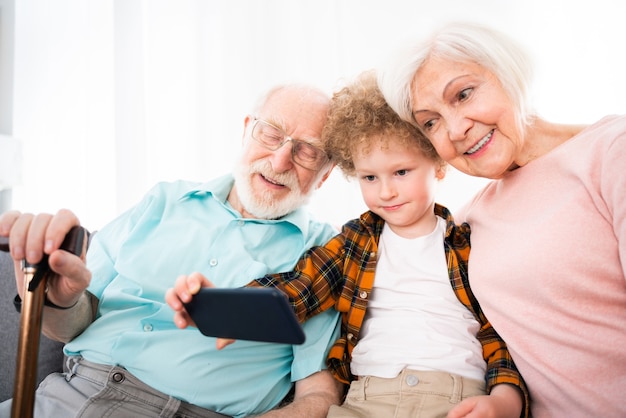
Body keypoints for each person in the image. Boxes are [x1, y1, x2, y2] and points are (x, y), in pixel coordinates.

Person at [168, 71, 529, 418]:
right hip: (364, 400)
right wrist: (231, 309)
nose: (385, 191)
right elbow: (300, 287)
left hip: (452, 397)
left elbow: (498, 332)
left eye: (401, 172)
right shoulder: (354, 243)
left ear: (437, 166)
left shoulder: (467, 245)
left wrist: (504, 400)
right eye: (370, 177)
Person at [0, 83, 344, 418]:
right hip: (73, 394)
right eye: (271, 133)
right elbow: (69, 324)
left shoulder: (324, 255)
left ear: (325, 174)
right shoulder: (164, 200)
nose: (281, 160)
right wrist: (59, 299)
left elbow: (317, 393)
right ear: (246, 130)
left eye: (307, 151)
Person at [377, 21, 626, 418]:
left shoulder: (611, 151)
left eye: (463, 94)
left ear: (508, 73)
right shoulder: (463, 224)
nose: (456, 130)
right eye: (431, 122)